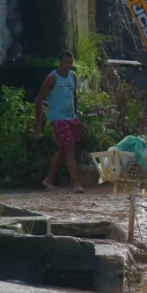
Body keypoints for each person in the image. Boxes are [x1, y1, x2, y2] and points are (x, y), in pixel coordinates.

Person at [35, 50, 84, 193]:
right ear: (60, 62)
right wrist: (38, 123)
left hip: (70, 117)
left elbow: (74, 95)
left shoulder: (72, 76)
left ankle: (48, 180)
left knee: (64, 150)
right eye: (65, 62)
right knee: (69, 148)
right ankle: (75, 183)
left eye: (70, 63)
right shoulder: (52, 78)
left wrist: (76, 114)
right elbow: (39, 100)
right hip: (57, 118)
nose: (68, 65)